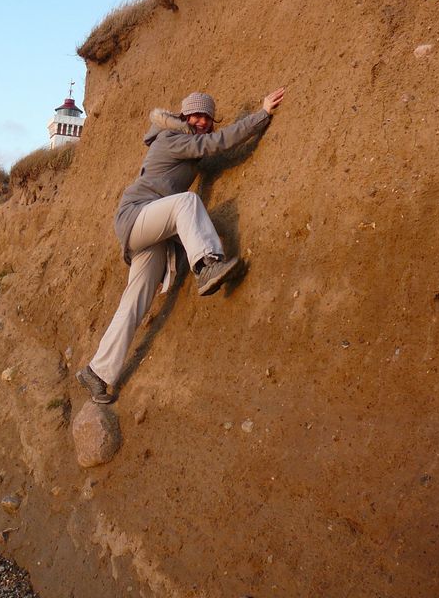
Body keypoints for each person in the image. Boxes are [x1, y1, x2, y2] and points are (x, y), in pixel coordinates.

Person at [77, 87, 285, 403]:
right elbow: (218, 144)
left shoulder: (188, 143)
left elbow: (214, 149)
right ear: (185, 117)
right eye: (196, 116)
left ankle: (96, 372)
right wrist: (262, 114)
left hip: (153, 232)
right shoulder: (170, 138)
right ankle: (207, 266)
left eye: (207, 117)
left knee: (135, 303)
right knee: (187, 202)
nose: (202, 121)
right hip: (137, 216)